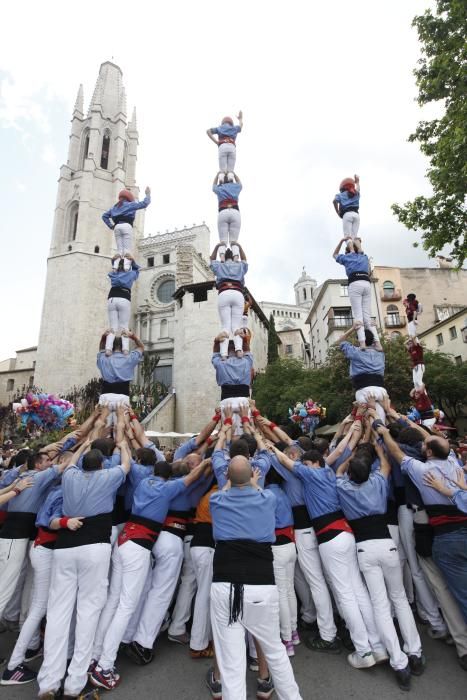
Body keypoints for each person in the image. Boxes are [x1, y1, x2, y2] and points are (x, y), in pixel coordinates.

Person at [89, 458, 210, 690]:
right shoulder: (172, 487)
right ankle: (107, 663)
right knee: (138, 601)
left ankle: (96, 655)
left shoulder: (144, 481)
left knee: (118, 601)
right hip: (149, 543)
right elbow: (193, 477)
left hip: (127, 541)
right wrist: (204, 462)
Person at [271, 438, 387, 670]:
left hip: (326, 535)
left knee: (340, 592)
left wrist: (267, 444)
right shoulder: (328, 473)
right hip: (345, 532)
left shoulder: (309, 473)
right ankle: (378, 645)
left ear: (310, 462)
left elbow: (285, 458)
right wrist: (350, 438)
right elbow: (336, 457)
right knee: (358, 590)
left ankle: (359, 648)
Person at [37, 440, 132, 699]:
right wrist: (123, 445)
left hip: (66, 548)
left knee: (58, 613)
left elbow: (69, 463)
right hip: (94, 547)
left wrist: (85, 444)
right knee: (88, 613)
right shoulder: (108, 476)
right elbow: (126, 465)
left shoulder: (70, 476)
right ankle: (74, 684)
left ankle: (48, 683)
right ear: (101, 465)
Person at [209, 448, 303, 700]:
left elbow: (227, 486)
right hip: (261, 583)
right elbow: (258, 488)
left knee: (231, 661)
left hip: (225, 583)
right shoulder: (268, 498)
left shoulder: (217, 500)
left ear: (227, 478)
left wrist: (235, 480)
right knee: (275, 651)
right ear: (253, 475)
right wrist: (253, 482)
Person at [336, 437, 424, 691]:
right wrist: (376, 450)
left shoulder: (344, 486)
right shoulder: (377, 481)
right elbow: (385, 466)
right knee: (398, 599)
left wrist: (349, 462)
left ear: (351, 472)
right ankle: (414, 652)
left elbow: (339, 472)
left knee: (380, 604)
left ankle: (398, 662)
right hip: (387, 545)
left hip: (364, 549)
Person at [376, 425, 467, 622]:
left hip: (434, 526)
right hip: (453, 525)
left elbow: (396, 451)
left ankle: (435, 618)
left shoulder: (422, 469)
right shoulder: (453, 462)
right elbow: (431, 440)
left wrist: (382, 432)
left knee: (427, 572)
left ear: (430, 451)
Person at [0, 452, 63, 624]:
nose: (51, 463)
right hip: (13, 536)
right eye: (47, 461)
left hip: (20, 535)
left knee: (15, 580)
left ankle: (13, 615)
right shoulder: (35, 478)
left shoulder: (25, 478)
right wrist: (15, 490)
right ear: (37, 465)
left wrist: (14, 488)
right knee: (5, 585)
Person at [333, 239, 381, 350]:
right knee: (367, 317)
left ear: (347, 251)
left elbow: (334, 254)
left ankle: (363, 343)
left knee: (358, 316)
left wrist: (341, 241)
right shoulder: (364, 257)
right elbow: (368, 271)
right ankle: (378, 344)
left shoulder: (346, 258)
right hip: (366, 283)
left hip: (355, 283)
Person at [338, 323, 387, 421]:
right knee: (382, 421)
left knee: (367, 423)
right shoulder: (380, 353)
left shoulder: (355, 352)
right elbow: (378, 345)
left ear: (359, 340)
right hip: (381, 390)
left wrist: (353, 328)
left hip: (364, 390)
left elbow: (341, 340)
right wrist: (373, 329)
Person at [210, 243, 248, 358]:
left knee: (225, 326)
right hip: (237, 293)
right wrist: (239, 247)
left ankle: (223, 354)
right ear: (233, 256)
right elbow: (245, 260)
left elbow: (211, 259)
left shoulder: (219, 266)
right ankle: (239, 350)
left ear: (224, 257)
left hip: (224, 293)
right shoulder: (239, 266)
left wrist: (217, 246)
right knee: (236, 326)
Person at [211, 333, 254, 435]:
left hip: (227, 401)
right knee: (246, 432)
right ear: (237, 350)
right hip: (244, 401)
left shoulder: (220, 363)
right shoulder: (247, 361)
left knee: (227, 432)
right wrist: (242, 339)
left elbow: (215, 354)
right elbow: (247, 349)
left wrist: (217, 341)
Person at [97, 331, 144, 417]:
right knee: (121, 427)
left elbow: (101, 350)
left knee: (102, 427)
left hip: (105, 396)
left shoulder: (103, 357)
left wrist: (103, 338)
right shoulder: (130, 357)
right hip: (123, 396)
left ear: (111, 345)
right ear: (124, 346)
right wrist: (133, 336)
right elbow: (141, 347)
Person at [106, 255, 140, 356]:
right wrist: (132, 260)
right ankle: (125, 349)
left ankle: (108, 349)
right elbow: (137, 269)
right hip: (124, 298)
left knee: (113, 327)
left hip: (112, 298)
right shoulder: (131, 274)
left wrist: (114, 261)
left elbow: (114, 267)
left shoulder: (112, 274)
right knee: (124, 327)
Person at [102, 187, 151, 257]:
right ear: (129, 198)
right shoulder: (131, 204)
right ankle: (126, 266)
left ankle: (116, 265)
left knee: (119, 251)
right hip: (127, 226)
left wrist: (111, 226)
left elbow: (104, 216)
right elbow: (145, 203)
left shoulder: (114, 207)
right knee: (127, 251)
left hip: (117, 227)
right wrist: (147, 194)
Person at [212, 172, 242, 261]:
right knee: (234, 241)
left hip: (223, 211)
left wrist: (217, 175)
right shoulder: (235, 187)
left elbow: (213, 186)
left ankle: (222, 257)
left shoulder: (220, 188)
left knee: (223, 241)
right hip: (235, 211)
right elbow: (240, 183)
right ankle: (236, 257)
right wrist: (234, 174)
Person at [207, 113, 243, 178]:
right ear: (231, 122)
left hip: (222, 146)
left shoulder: (219, 128)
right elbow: (240, 126)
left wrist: (216, 142)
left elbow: (208, 131)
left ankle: (221, 179)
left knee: (222, 171)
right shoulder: (234, 128)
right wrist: (240, 119)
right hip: (232, 147)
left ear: (222, 122)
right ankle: (230, 178)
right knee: (230, 171)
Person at [333, 175, 360, 241]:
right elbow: (358, 188)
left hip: (347, 215)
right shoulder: (356, 193)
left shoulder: (340, 195)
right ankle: (359, 249)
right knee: (354, 237)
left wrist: (337, 212)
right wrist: (357, 182)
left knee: (347, 237)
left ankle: (351, 250)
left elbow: (334, 201)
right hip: (356, 216)